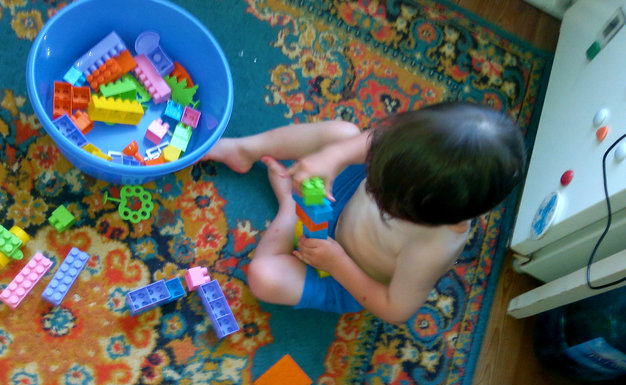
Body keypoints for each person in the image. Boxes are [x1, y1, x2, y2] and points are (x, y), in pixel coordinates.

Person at [203, 101, 526, 324]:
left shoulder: (432, 247)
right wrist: (332, 158)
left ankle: (288, 207)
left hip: (347, 271)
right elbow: (368, 143)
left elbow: (396, 309)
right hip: (342, 199)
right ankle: (244, 149)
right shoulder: (417, 152)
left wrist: (336, 263)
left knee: (264, 278)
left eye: (385, 201)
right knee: (343, 133)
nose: (373, 188)